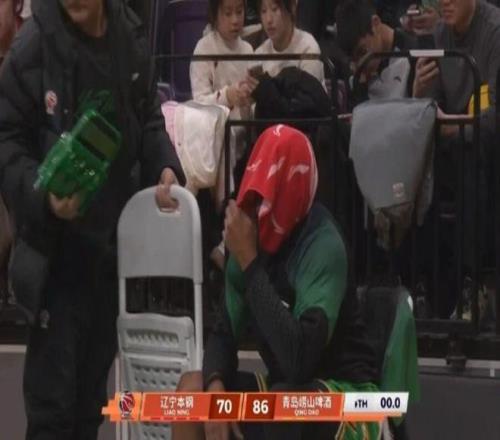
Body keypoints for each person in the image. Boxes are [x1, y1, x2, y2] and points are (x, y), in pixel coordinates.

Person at [0, 0, 185, 438]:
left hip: (110, 254)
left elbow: (148, 118)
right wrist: (44, 197)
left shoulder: (128, 39)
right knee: (52, 413)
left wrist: (165, 165)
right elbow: (6, 139)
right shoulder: (32, 47)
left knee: (88, 410)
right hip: (55, 260)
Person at [172, 125, 380, 440]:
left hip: (349, 397)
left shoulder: (323, 246)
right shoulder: (247, 233)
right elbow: (224, 333)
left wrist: (251, 264)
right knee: (192, 392)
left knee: (284, 405)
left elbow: (299, 361)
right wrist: (215, 387)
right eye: (253, 198)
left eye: (266, 200)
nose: (257, 211)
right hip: (284, 390)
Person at [336, 0, 417, 100]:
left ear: (375, 23)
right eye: (353, 60)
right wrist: (360, 88)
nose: (360, 64)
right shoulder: (355, 72)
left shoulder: (413, 54)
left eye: (363, 52)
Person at [190, 0, 254, 122]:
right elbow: (199, 104)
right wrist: (227, 96)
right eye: (228, 13)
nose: (235, 20)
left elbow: (251, 108)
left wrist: (249, 102)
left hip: (243, 129)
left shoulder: (248, 49)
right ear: (215, 16)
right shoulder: (204, 48)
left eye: (239, 12)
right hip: (213, 129)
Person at [255, 0, 325, 83]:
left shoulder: (307, 48)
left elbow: (309, 90)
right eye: (263, 11)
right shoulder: (260, 53)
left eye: (274, 9)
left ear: (292, 8)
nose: (268, 19)